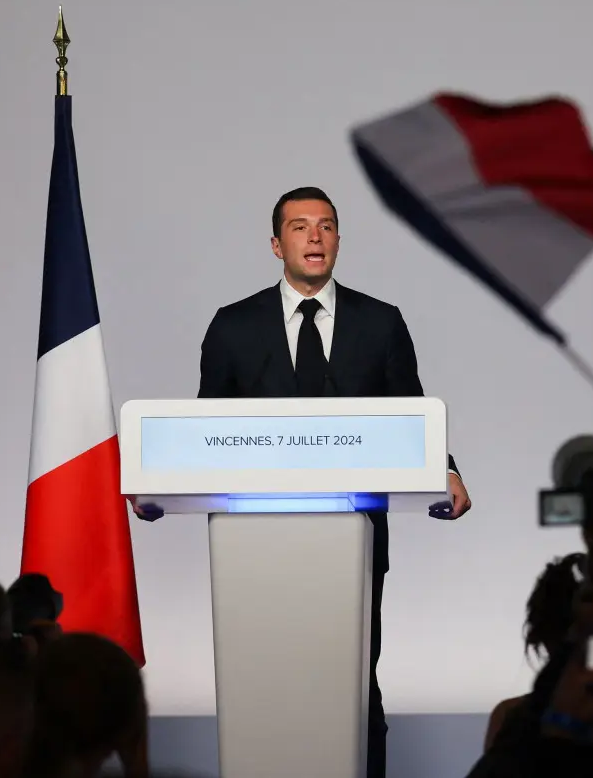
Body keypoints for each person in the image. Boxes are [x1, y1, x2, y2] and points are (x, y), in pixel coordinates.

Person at [186, 185, 472, 778]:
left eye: (326, 226)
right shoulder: (234, 326)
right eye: (299, 227)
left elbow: (410, 415)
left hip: (354, 538)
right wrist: (163, 482)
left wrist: (447, 469)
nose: (314, 237)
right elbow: (204, 429)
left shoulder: (381, 322)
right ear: (275, 244)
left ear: (338, 239)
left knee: (351, 677)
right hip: (255, 548)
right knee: (266, 677)